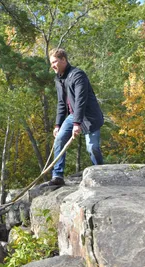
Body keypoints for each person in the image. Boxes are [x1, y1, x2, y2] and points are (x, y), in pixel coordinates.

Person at [42, 48, 104, 187]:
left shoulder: (78, 75)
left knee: (92, 147)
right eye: (51, 63)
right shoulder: (58, 79)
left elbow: (81, 100)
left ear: (64, 60)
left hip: (90, 116)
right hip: (73, 115)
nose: (52, 65)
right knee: (59, 139)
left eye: (55, 62)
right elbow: (61, 103)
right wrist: (57, 125)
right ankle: (57, 176)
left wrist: (77, 123)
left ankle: (101, 173)